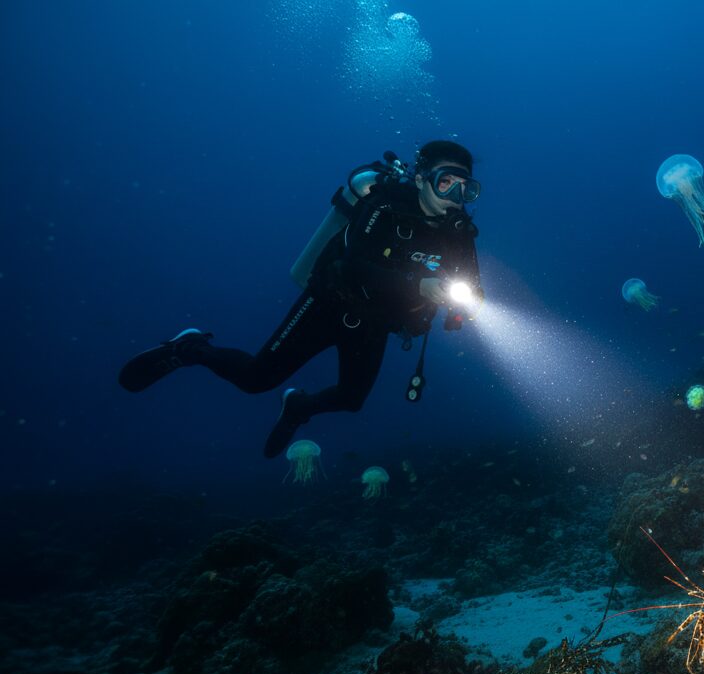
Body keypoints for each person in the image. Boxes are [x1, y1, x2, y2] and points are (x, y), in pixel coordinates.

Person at [119, 140, 484, 458]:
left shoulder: (459, 231)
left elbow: (470, 282)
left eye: (464, 188)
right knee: (256, 380)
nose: (455, 196)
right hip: (329, 304)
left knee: (351, 400)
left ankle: (298, 407)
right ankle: (190, 348)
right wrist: (417, 284)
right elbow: (354, 264)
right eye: (445, 182)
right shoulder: (385, 207)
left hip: (374, 323)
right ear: (420, 179)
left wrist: (467, 304)